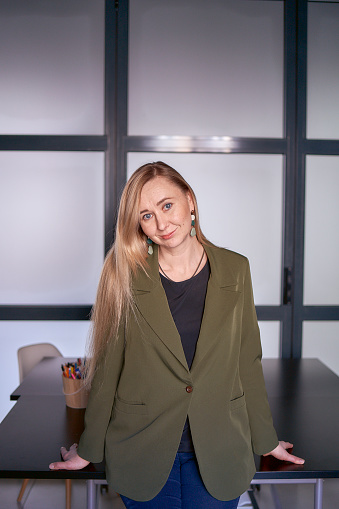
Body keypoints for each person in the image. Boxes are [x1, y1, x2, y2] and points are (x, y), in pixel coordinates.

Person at [49, 162, 304, 508]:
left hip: (220, 447)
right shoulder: (123, 273)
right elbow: (108, 368)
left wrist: (266, 439)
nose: (161, 224)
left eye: (167, 205)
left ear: (190, 201)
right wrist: (89, 447)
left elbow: (247, 360)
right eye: (146, 215)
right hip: (142, 448)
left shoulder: (235, 268)